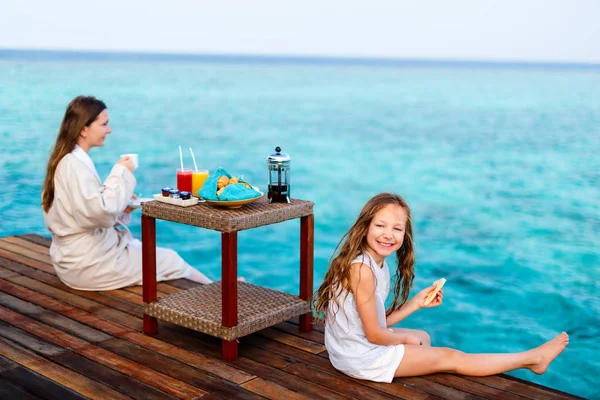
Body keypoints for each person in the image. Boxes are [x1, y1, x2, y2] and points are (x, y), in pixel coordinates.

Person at [313, 192, 568, 383]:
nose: (388, 235)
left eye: (397, 228)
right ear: (365, 226)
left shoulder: (376, 265)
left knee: (423, 338)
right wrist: (405, 338)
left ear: (405, 235)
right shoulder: (363, 270)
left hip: (348, 348)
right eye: (380, 225)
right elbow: (376, 335)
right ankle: (532, 359)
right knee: (451, 357)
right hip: (357, 357)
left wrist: (416, 303)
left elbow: (376, 323)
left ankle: (421, 368)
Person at [42, 95, 212, 290]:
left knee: (147, 252)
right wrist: (120, 172)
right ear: (83, 129)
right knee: (170, 260)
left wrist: (122, 208)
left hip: (73, 261)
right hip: (89, 265)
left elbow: (83, 212)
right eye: (104, 124)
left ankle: (219, 288)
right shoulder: (74, 165)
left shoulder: (66, 160)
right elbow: (100, 213)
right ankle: (223, 294)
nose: (109, 130)